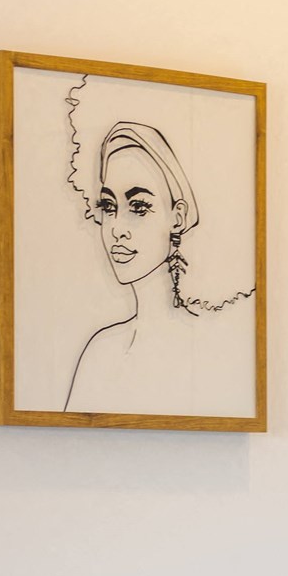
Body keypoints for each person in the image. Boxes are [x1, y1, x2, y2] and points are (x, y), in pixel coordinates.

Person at [65, 122, 207, 415]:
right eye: (109, 206)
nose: (117, 229)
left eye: (139, 208)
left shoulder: (204, 348)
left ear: (177, 218)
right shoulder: (100, 350)